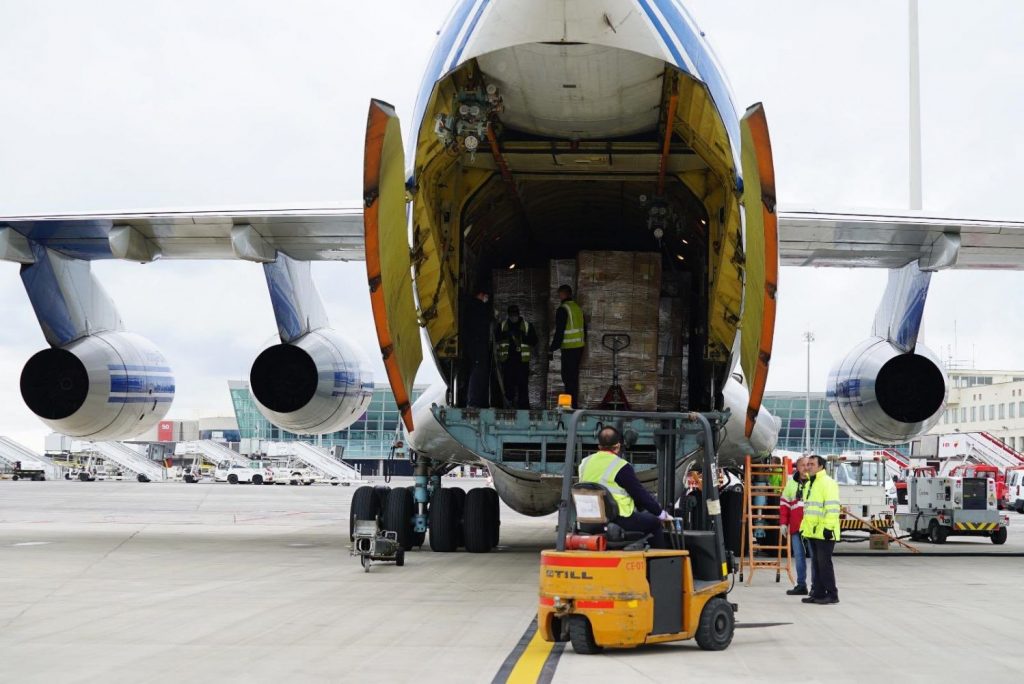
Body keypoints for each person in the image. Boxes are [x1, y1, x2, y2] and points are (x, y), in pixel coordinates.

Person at [578, 426, 671, 548]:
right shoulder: (620, 466)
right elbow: (639, 494)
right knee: (654, 523)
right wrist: (661, 514)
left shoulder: (584, 463)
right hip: (617, 520)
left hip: (589, 521)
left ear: (599, 446)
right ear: (617, 446)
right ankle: (660, 562)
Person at [800, 454, 841, 605]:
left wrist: (828, 528)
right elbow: (810, 509)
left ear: (820, 466)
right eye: (807, 464)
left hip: (824, 532)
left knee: (824, 564)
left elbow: (832, 507)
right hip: (813, 531)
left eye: (811, 464)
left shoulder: (827, 483)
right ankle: (818, 593)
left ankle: (832, 594)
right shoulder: (811, 483)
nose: (808, 467)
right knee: (816, 565)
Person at [549, 284, 585, 407]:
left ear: (563, 294)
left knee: (567, 377)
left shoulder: (563, 309)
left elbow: (560, 331)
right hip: (579, 347)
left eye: (559, 294)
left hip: (569, 348)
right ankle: (573, 403)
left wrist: (552, 348)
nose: (559, 296)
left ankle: (569, 405)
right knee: (573, 377)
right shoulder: (577, 308)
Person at [780, 456, 812, 596]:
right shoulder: (791, 484)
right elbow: (784, 505)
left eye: (808, 465)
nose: (806, 467)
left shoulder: (815, 482)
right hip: (796, 526)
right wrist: (783, 523)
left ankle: (816, 586)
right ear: (797, 467)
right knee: (799, 557)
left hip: (812, 526)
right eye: (803, 465)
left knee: (815, 558)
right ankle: (801, 585)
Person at [496, 304, 538, 409]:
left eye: (515, 315)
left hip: (522, 361)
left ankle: (523, 407)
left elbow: (534, 341)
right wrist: (506, 335)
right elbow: (495, 338)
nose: (513, 317)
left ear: (519, 314)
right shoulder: (502, 326)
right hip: (507, 361)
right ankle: (508, 406)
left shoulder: (527, 326)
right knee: (508, 385)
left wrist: (523, 337)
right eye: (511, 315)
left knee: (522, 385)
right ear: (508, 315)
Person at [464, 289, 494, 408]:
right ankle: (473, 402)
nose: (487, 297)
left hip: (477, 344)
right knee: (478, 372)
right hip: (477, 344)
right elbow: (482, 324)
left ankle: (478, 401)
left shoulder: (474, 307)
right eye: (485, 294)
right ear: (480, 294)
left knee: (480, 372)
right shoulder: (477, 307)